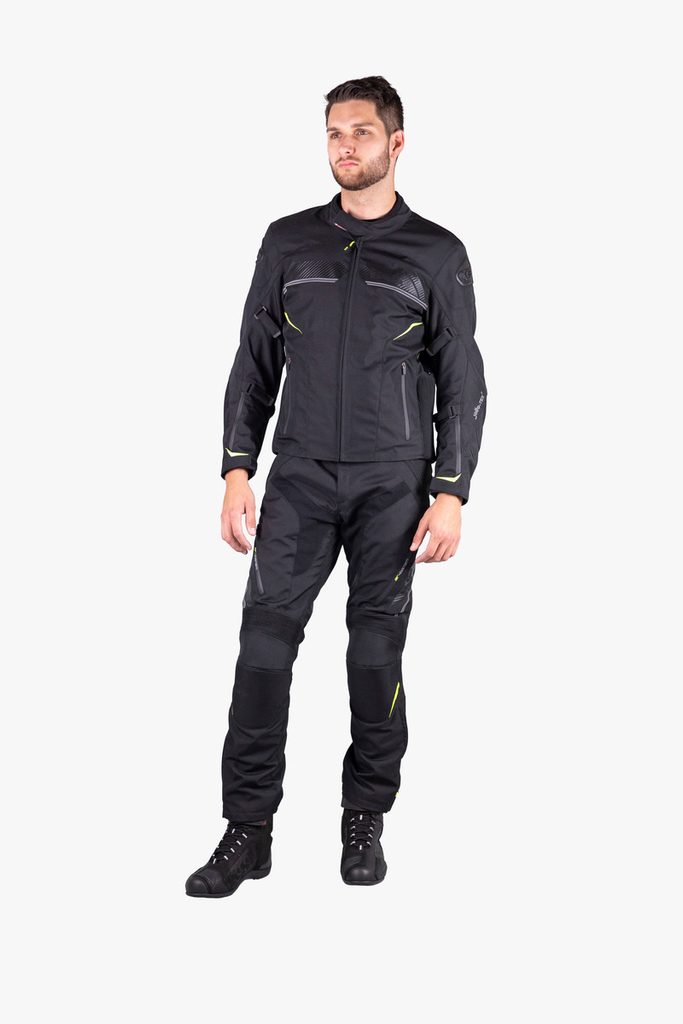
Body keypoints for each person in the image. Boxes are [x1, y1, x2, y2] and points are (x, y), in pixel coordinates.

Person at [185, 75, 488, 897]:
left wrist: (451, 490)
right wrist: (237, 469)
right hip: (300, 478)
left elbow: (461, 378)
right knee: (262, 649)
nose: (344, 146)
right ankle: (247, 831)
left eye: (360, 131)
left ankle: (364, 819)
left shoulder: (435, 253)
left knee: (373, 653)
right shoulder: (288, 242)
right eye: (333, 133)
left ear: (396, 143)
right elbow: (254, 361)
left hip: (395, 484)